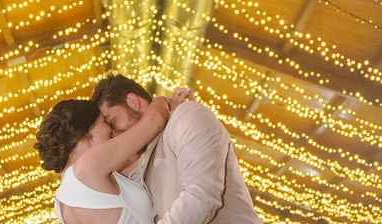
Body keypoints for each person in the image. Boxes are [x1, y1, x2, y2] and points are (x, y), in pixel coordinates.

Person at [92, 74, 262, 224]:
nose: (113, 135)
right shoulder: (144, 159)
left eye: (112, 122)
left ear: (133, 102)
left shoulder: (188, 116)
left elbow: (200, 198)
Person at [34, 90, 190, 224]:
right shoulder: (88, 168)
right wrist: (163, 100)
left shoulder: (61, 202)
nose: (111, 129)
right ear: (89, 131)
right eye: (105, 121)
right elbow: (154, 121)